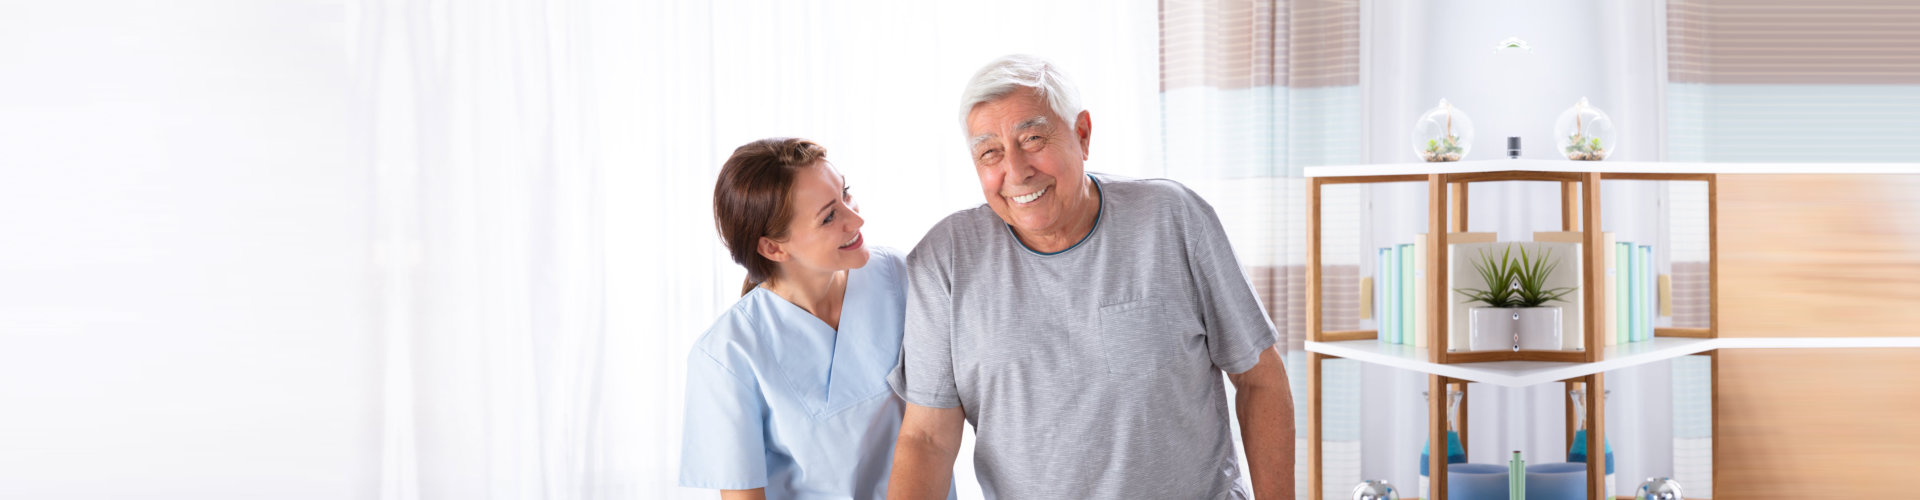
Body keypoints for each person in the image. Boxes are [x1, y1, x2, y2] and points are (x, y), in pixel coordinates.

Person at [886, 55, 1297, 499]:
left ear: (1082, 134)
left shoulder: (1172, 218)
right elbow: (927, 440)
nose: (1017, 169)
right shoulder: (943, 261)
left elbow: (1259, 380)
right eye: (990, 152)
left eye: (1033, 138)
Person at [681, 138, 955, 500]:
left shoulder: (899, 278)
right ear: (773, 247)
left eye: (846, 195)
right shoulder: (727, 354)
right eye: (829, 216)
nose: (856, 218)